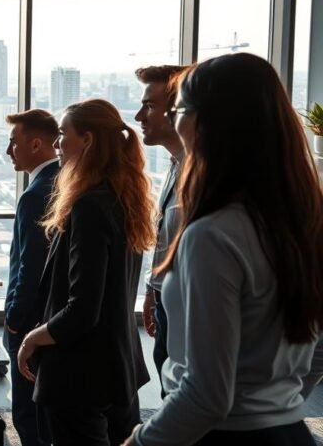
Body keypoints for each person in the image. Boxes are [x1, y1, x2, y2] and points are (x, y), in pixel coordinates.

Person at [126, 54, 323, 446]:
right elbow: (315, 353)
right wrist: (274, 407)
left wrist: (140, 440)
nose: (174, 120)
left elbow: (206, 395)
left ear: (209, 123)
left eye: (179, 110)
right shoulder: (301, 221)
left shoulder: (213, 233)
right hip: (288, 432)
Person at [16, 99, 154, 446]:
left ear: (88, 140)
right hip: (118, 367)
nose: (57, 144)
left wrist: (33, 338)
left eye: (63, 135)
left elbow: (82, 308)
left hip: (80, 375)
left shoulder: (89, 206)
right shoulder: (124, 200)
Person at [2, 108, 60, 446]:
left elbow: (30, 265)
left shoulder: (35, 195)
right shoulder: (66, 181)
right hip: (53, 318)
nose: (9, 150)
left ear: (36, 144)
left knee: (27, 413)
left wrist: (14, 319)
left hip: (30, 323)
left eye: (13, 142)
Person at [134, 65, 189, 393]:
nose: (139, 116)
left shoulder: (199, 176)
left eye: (149, 106)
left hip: (188, 311)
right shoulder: (175, 165)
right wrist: (152, 291)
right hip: (166, 301)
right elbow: (166, 238)